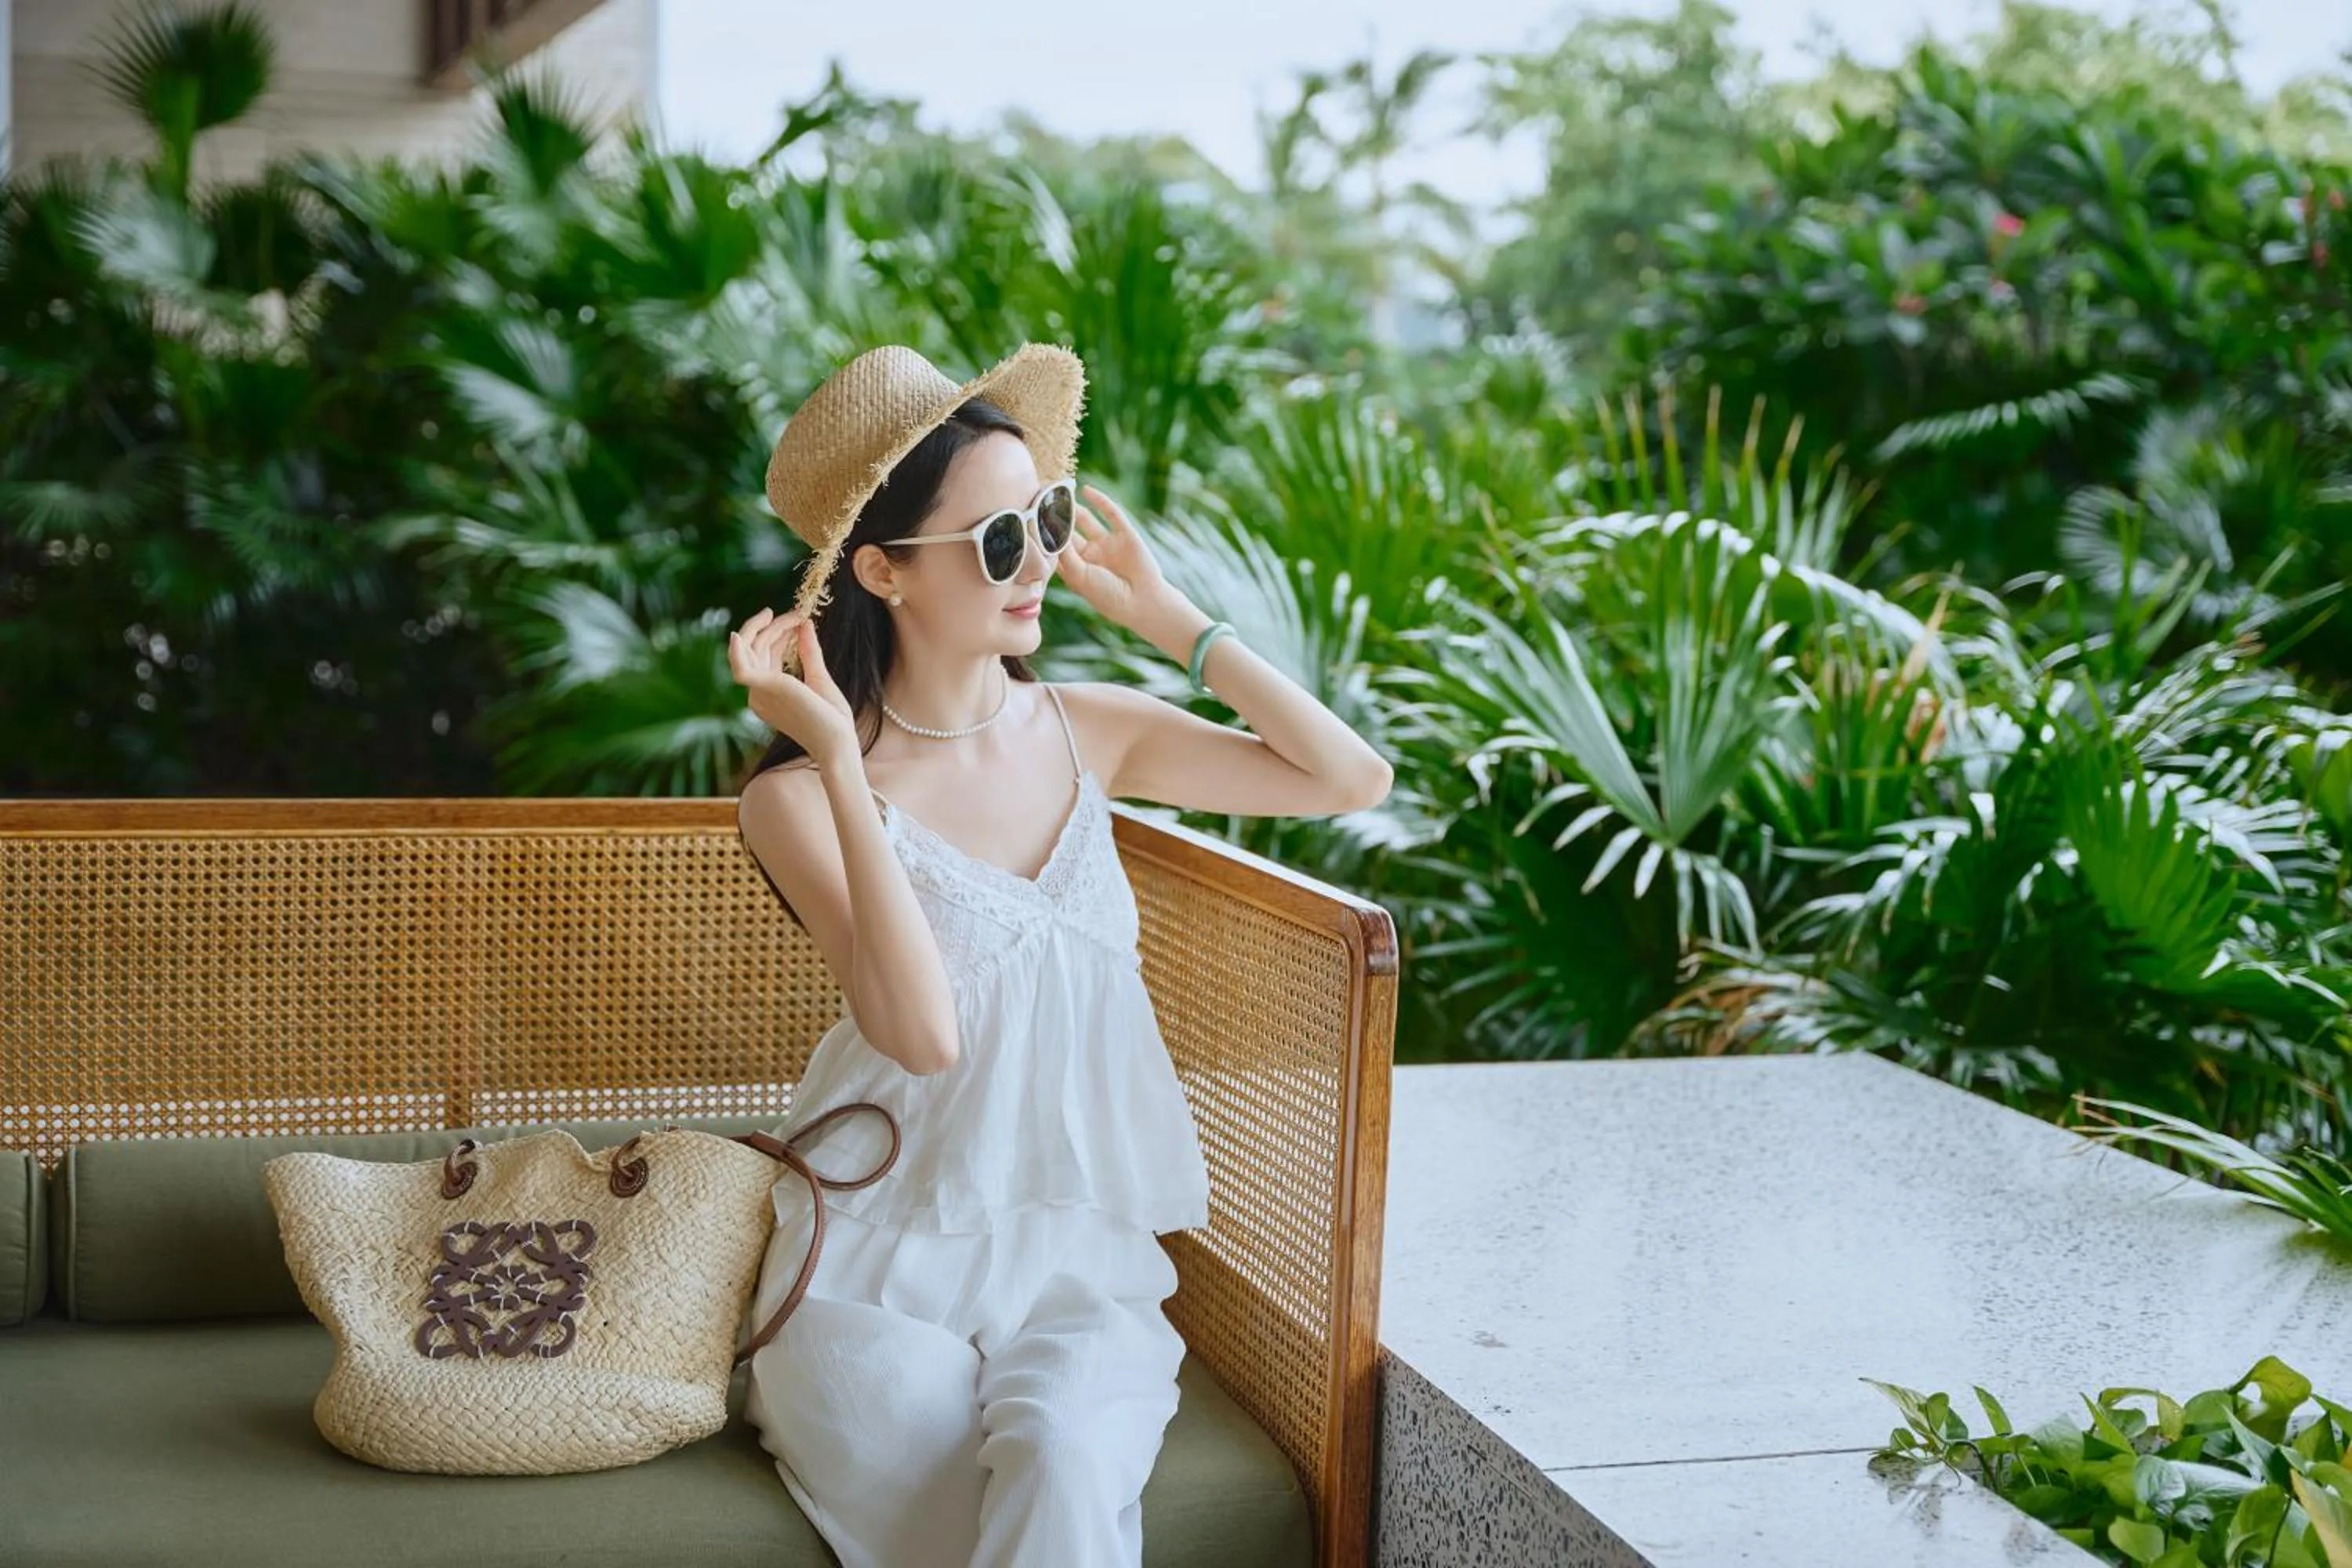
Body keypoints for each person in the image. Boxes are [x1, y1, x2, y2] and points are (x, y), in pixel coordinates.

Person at [725, 342, 1393, 1568]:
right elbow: (922, 1037)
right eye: (995, 542)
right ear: (882, 571)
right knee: (967, 1522)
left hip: (1076, 1258)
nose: (1038, 560)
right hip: (869, 1257)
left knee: (1069, 1470)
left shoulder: (1091, 732)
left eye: (1045, 517)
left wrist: (1172, 622)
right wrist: (838, 764)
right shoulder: (799, 798)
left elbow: (1350, 777)